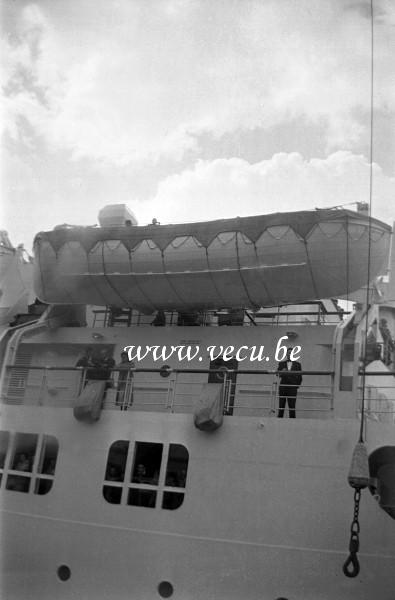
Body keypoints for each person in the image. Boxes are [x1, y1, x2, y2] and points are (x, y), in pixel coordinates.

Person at [277, 347, 302, 418]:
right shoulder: (281, 364)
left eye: (291, 353)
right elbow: (277, 374)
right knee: (281, 407)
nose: (289, 354)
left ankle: (293, 424)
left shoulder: (298, 364)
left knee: (292, 407)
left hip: (292, 388)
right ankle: (279, 423)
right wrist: (282, 371)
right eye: (288, 353)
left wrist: (295, 386)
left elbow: (300, 377)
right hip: (283, 388)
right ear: (286, 354)